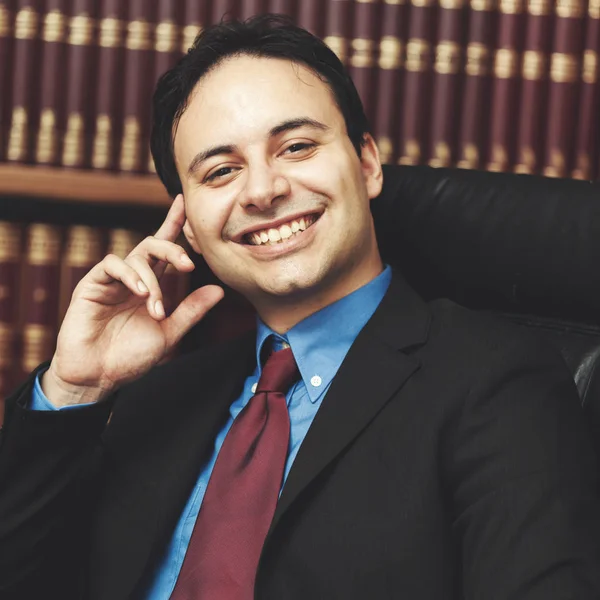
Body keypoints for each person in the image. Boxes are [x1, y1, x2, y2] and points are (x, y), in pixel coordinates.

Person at [1, 14, 600, 600]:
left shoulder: (496, 383)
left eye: (297, 146)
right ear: (188, 227)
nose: (262, 190)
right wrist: (74, 388)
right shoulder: (158, 400)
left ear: (366, 165)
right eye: (222, 170)